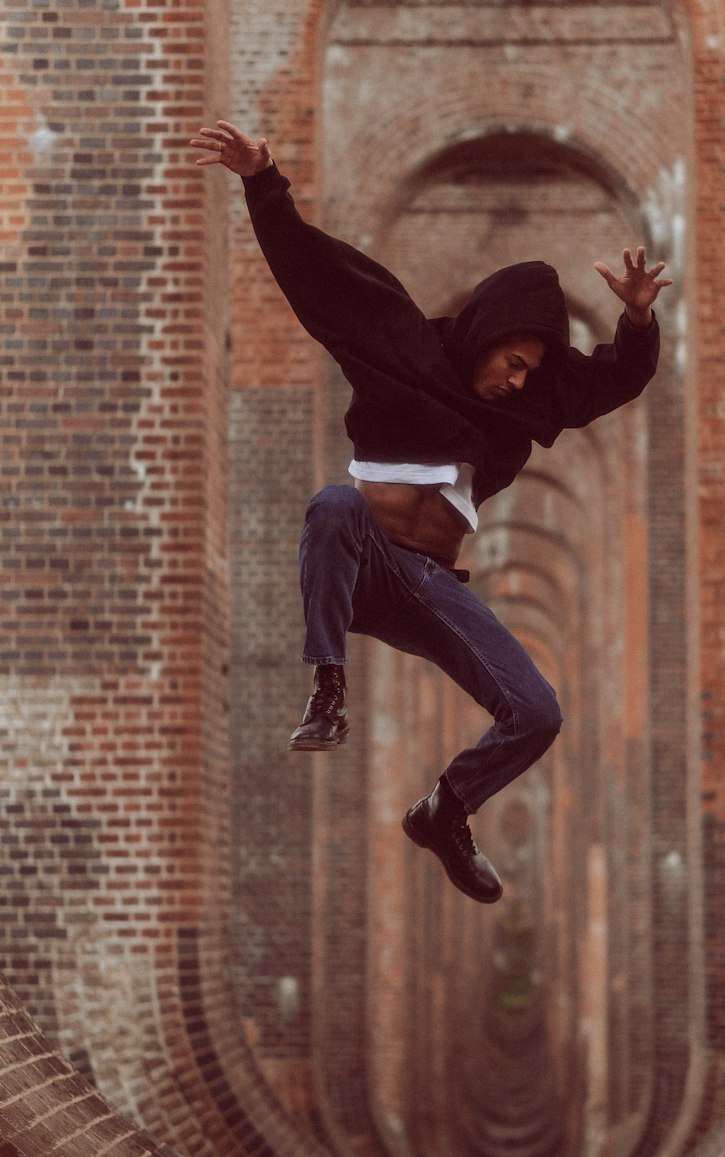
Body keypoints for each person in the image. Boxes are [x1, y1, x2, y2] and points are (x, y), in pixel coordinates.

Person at [192, 120, 671, 905]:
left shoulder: (519, 407)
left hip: (427, 589)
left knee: (539, 713)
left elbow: (607, 382)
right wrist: (263, 180)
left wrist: (639, 321)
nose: (518, 383)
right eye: (512, 363)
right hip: (361, 560)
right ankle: (328, 686)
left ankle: (446, 810)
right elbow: (321, 279)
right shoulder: (401, 348)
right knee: (334, 503)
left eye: (530, 374)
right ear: (483, 336)